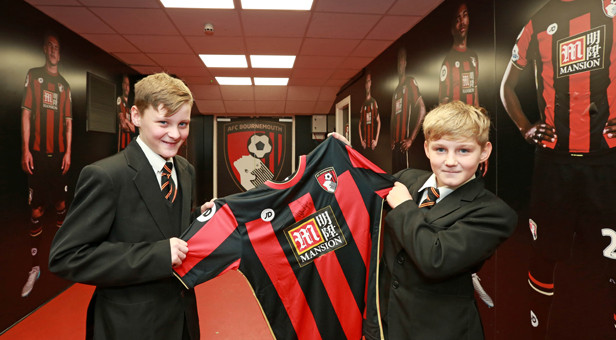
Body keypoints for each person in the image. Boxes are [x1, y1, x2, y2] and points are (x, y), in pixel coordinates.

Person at [49, 73, 204, 340]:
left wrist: (199, 218)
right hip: (129, 326)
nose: (175, 134)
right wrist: (156, 255)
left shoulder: (184, 170)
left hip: (181, 320)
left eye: (183, 124)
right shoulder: (106, 175)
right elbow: (67, 257)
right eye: (163, 122)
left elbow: (161, 224)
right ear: (135, 116)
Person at [500, 1, 616, 338]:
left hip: (606, 163)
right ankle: (537, 330)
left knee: (612, 256)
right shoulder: (536, 26)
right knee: (544, 253)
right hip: (554, 166)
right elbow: (506, 86)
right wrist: (525, 127)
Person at [378, 101, 517, 339]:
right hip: (388, 325)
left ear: (484, 152)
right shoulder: (407, 179)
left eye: (464, 150)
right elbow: (360, 192)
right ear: (427, 148)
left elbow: (435, 259)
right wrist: (343, 156)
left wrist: (403, 206)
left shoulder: (493, 213)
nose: (450, 161)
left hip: (440, 331)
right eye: (440, 149)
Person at [20, 32, 72, 298]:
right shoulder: (34, 76)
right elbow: (26, 114)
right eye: (49, 46)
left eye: (57, 47)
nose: (53, 50)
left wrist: (68, 153)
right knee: (37, 209)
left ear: (60, 54)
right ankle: (34, 267)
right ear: (44, 49)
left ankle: (60, 259)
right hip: (38, 156)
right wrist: (26, 149)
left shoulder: (64, 84)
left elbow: (68, 123)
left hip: (58, 156)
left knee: (61, 206)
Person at [391, 47, 426, 173]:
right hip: (396, 146)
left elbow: (422, 109)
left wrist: (411, 138)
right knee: (395, 180)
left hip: (405, 146)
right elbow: (393, 118)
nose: (399, 63)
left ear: (405, 62)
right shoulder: (396, 90)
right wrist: (392, 140)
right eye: (398, 60)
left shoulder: (410, 82)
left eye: (402, 59)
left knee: (406, 181)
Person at [438, 2, 479, 106]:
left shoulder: (473, 56)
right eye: (457, 19)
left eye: (464, 16)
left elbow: (474, 90)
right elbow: (443, 101)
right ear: (452, 28)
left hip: (471, 121)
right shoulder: (448, 61)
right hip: (456, 121)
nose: (462, 22)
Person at [359, 72, 381, 150]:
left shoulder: (374, 102)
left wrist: (376, 141)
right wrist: (361, 140)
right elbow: (360, 123)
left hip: (373, 146)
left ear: (371, 83)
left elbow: (379, 121)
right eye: (366, 82)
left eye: (369, 81)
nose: (367, 84)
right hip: (365, 146)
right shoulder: (363, 105)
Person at [117, 74, 136, 151]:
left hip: (128, 145)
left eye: (128, 85)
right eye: (125, 84)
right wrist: (128, 124)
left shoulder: (130, 106)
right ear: (122, 85)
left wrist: (126, 121)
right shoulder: (119, 100)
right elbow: (124, 126)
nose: (127, 87)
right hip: (120, 143)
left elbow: (133, 129)